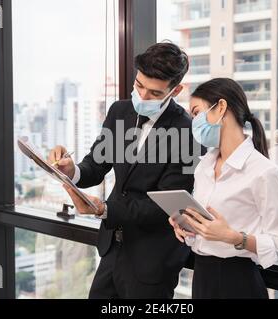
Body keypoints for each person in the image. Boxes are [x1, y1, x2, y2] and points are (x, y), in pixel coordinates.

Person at [48, 42, 203, 298]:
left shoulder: (187, 132)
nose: (142, 97)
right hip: (112, 248)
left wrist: (104, 209)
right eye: (139, 85)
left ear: (176, 90)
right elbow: (95, 166)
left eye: (154, 93)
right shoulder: (119, 112)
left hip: (152, 259)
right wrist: (72, 169)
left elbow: (168, 205)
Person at [169, 78, 278, 299]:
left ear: (221, 108)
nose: (193, 122)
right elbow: (206, 231)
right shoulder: (204, 167)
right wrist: (187, 226)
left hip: (239, 283)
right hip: (202, 278)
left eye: (196, 113)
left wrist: (234, 237)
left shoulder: (263, 172)